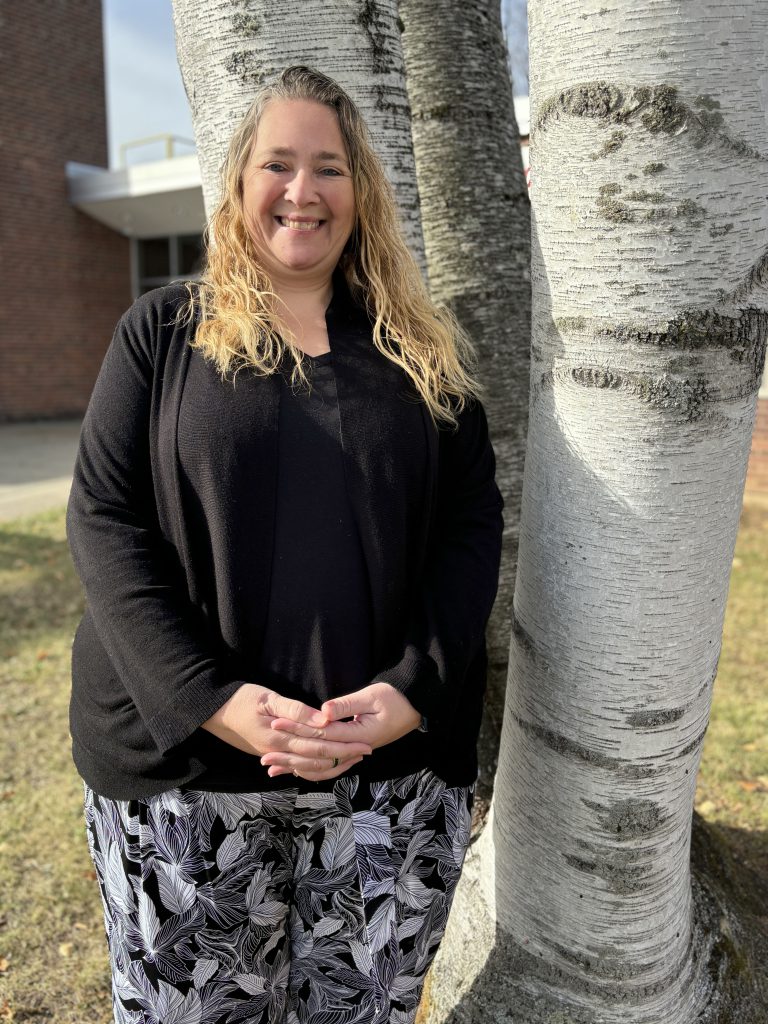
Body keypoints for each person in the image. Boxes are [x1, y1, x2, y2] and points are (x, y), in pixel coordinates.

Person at [67, 65, 503, 1024]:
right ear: (237, 182)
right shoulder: (162, 335)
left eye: (330, 168)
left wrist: (404, 695)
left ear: (363, 193)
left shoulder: (421, 354)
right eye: (279, 164)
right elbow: (103, 520)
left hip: (387, 785)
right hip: (185, 785)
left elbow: (472, 532)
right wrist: (213, 701)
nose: (303, 192)